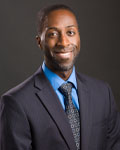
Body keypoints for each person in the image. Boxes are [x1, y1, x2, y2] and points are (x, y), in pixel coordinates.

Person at [0, 4, 120, 150]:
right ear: (39, 42)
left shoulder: (103, 93)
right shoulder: (16, 103)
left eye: (70, 32)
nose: (63, 42)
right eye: (52, 34)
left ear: (79, 37)